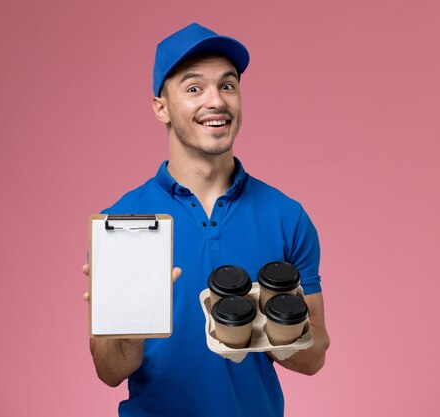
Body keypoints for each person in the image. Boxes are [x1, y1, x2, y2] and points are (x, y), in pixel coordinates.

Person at [81, 23, 330, 416]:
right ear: (160, 107)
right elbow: (107, 370)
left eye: (227, 86)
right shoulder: (124, 221)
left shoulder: (286, 216)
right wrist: (128, 338)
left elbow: (314, 356)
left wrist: (271, 327)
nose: (216, 100)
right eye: (194, 88)